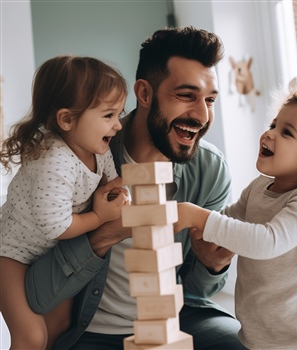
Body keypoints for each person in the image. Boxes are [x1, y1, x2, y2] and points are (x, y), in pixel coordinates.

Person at [23, 26, 247, 350]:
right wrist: (105, 233)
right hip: (93, 331)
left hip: (179, 320)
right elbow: (38, 295)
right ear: (144, 94)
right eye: (186, 95)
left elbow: (197, 291)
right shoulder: (74, 163)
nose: (201, 115)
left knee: (244, 343)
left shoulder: (210, 169)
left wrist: (213, 264)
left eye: (209, 100)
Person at [175, 89, 297, 349]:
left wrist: (197, 216)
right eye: (273, 124)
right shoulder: (259, 188)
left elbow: (266, 242)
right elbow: (228, 220)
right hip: (258, 330)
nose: (269, 133)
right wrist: (201, 228)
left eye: (286, 132)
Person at [0, 55, 130, 349]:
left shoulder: (98, 150)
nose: (118, 126)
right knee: (31, 336)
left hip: (49, 255)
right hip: (11, 255)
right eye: (109, 116)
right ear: (67, 119)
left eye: (119, 114)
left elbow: (114, 184)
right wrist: (99, 217)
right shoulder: (54, 161)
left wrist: (127, 194)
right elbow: (56, 226)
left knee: (59, 325)